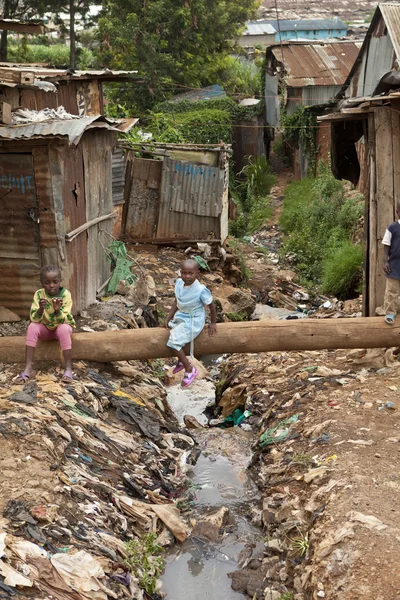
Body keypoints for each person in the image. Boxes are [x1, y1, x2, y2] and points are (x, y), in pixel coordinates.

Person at [16, 265, 75, 383]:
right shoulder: (39, 294)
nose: (52, 285)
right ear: (42, 283)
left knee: (63, 328)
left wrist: (57, 310)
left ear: (60, 281)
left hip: (60, 329)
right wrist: (41, 309)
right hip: (46, 330)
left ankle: (68, 368)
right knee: (32, 327)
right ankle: (28, 368)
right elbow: (34, 318)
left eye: (55, 282)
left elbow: (66, 319)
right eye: (47, 282)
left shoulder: (65, 295)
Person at [164, 259, 217, 387]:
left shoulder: (200, 290)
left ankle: (189, 369)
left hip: (194, 319)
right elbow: (177, 301)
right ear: (180, 272)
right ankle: (181, 362)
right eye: (184, 273)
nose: (187, 276)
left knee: (173, 342)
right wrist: (168, 317)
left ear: (197, 273)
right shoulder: (179, 284)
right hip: (181, 315)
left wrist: (213, 322)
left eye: (190, 273)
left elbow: (211, 305)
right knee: (173, 334)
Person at [383, 202, 400, 324]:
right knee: (392, 291)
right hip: (394, 265)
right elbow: (386, 245)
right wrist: (385, 261)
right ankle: (390, 313)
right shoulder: (392, 228)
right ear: (397, 212)